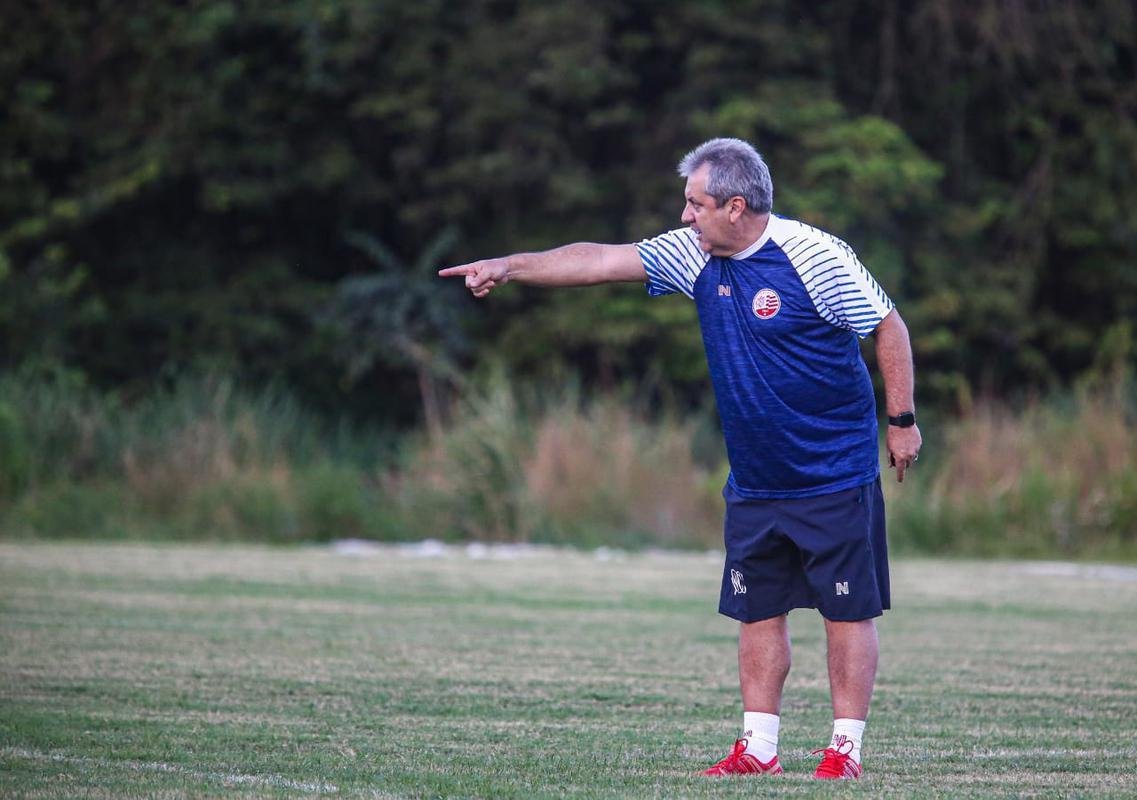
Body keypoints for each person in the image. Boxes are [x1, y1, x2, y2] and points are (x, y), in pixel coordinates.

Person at [439, 137, 922, 780]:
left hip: (832, 471)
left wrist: (901, 422)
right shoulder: (695, 253)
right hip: (755, 479)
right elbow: (598, 260)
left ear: (735, 206)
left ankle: (844, 751)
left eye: (695, 203)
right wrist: (510, 266)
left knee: (846, 610)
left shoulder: (814, 256)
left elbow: (889, 326)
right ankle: (759, 749)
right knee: (756, 609)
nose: (685, 215)